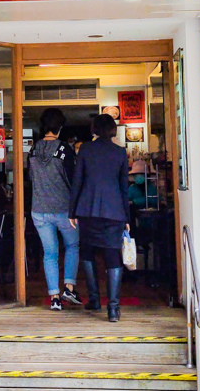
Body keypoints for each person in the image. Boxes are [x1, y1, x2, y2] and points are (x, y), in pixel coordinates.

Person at [69, 114, 131, 322]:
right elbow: (124, 188)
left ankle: (94, 299)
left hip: (88, 209)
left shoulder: (86, 149)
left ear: (94, 128)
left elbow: (77, 180)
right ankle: (113, 309)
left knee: (87, 253)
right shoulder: (120, 152)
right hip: (114, 211)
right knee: (113, 256)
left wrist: (72, 211)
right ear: (113, 129)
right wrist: (127, 218)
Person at [28, 108, 81, 311]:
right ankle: (69, 287)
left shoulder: (33, 151)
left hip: (39, 209)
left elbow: (31, 179)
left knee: (50, 253)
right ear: (59, 127)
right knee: (73, 246)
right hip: (63, 209)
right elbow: (74, 180)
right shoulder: (64, 149)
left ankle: (54, 298)